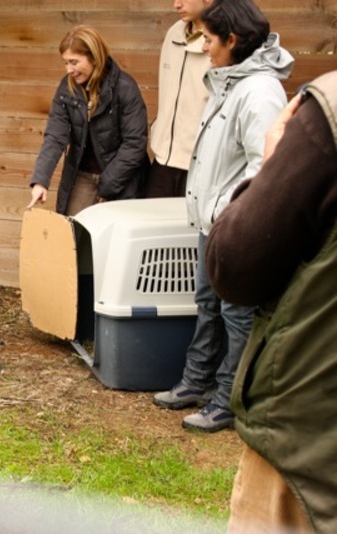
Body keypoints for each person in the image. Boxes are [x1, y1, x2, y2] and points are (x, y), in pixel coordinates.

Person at [152, 0, 293, 433]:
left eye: (210, 41)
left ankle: (229, 399)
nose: (205, 49)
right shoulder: (231, 82)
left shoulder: (259, 91)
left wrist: (229, 212)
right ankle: (197, 382)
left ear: (232, 40)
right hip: (214, 223)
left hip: (237, 226)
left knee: (236, 314)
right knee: (208, 304)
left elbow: (264, 166)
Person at [206, 72, 337, 532]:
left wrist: (269, 165)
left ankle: (221, 398)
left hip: (310, 455)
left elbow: (237, 264)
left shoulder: (323, 112)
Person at [26, 25, 149, 215]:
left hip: (122, 178)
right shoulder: (66, 89)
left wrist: (106, 186)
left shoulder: (125, 88)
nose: (69, 70)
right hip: (81, 176)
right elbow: (55, 137)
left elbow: (134, 143)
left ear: (94, 57)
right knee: (75, 236)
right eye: (65, 63)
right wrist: (40, 181)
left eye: (74, 62)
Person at [144, 0, 212, 198]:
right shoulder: (174, 32)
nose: (176, 5)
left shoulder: (222, 39)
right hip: (163, 159)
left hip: (199, 164)